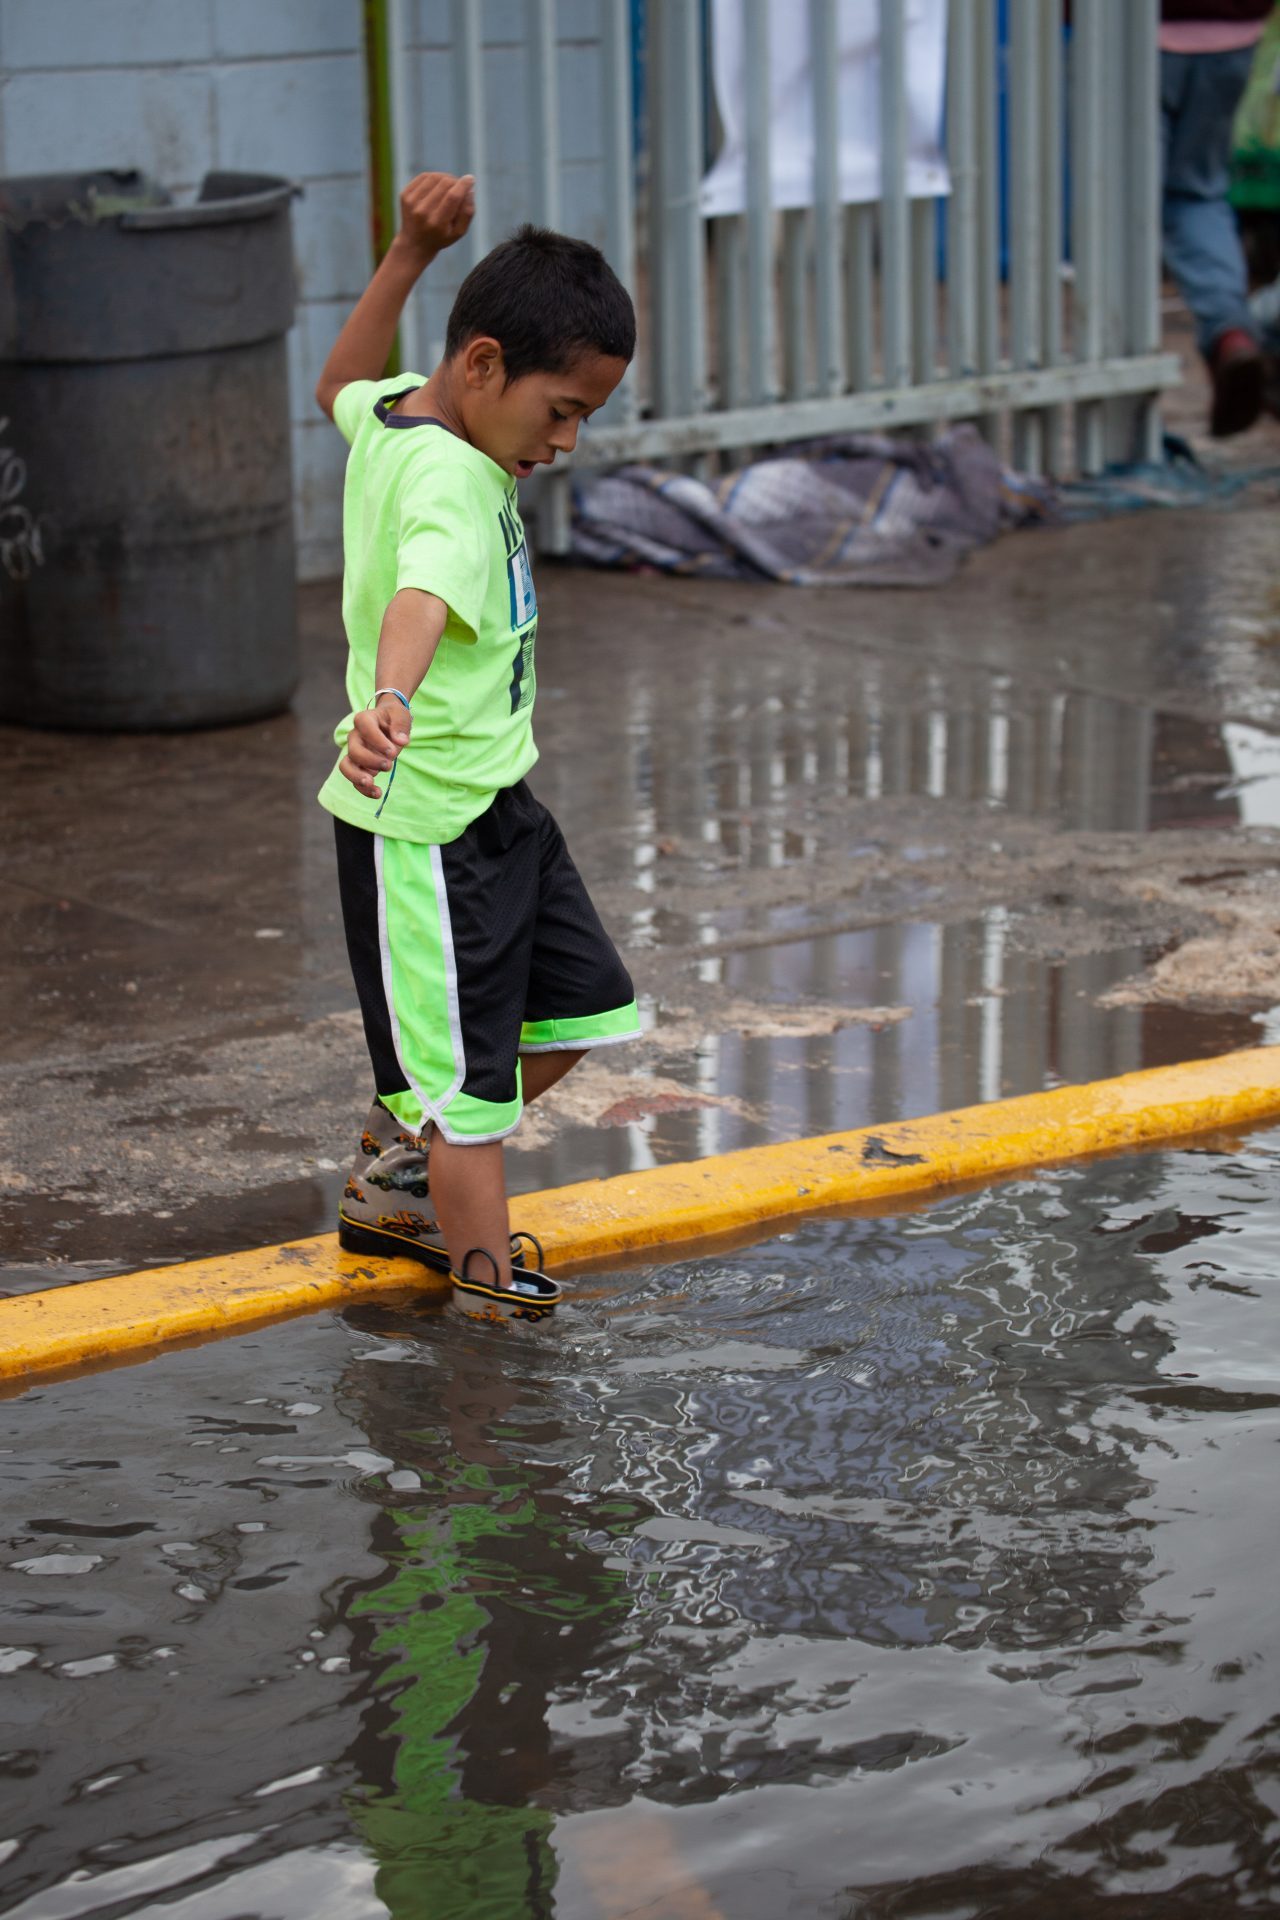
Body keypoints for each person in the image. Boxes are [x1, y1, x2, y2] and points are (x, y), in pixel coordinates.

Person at [314, 171, 640, 1322]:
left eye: (585, 417)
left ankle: (402, 1155)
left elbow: (337, 385)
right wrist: (386, 700)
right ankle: (488, 1302)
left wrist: (405, 251)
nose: (565, 440)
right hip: (425, 828)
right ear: (485, 364)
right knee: (470, 1098)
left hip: (495, 803)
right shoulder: (452, 482)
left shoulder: (405, 409)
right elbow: (420, 596)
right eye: (561, 410)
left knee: (590, 1009)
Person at [1160, 0, 1274, 436]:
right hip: (1233, 26)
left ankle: (1121, 385)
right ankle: (1231, 333)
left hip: (1129, 31)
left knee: (1115, 199)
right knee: (1197, 193)